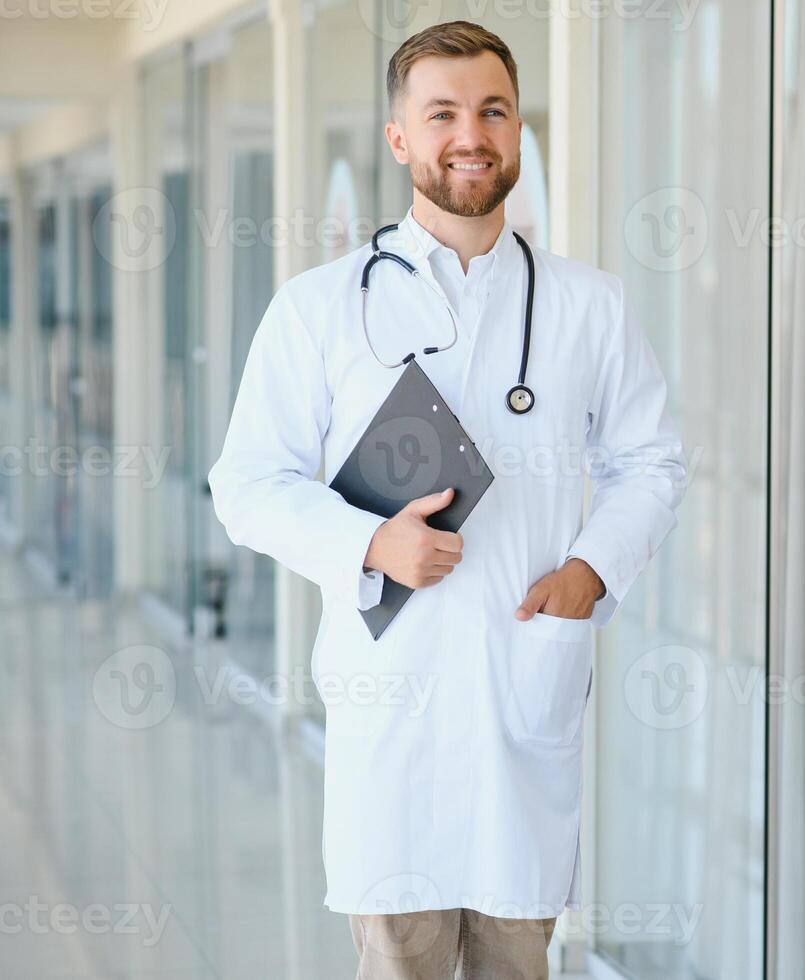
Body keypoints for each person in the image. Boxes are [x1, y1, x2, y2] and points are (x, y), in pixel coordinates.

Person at [206, 20, 687, 980]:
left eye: (493, 110)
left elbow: (653, 461)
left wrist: (590, 572)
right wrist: (369, 545)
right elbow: (246, 483)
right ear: (399, 140)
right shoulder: (320, 306)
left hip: (526, 683)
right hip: (395, 708)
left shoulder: (588, 304)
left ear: (516, 132)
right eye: (442, 114)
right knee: (400, 957)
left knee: (519, 956)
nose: (471, 133)